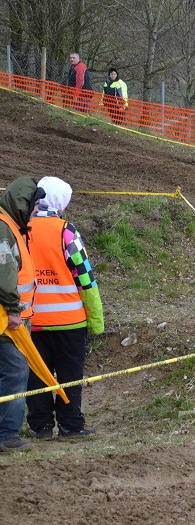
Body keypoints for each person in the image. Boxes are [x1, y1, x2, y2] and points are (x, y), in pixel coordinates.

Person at [25, 177, 104, 439]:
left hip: (31, 321)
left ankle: (41, 427)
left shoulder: (21, 228)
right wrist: (96, 319)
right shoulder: (66, 231)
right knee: (69, 375)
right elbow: (86, 278)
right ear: (60, 201)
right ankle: (70, 425)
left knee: (36, 375)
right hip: (70, 321)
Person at [0, 177, 45, 452]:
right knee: (15, 372)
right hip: (8, 319)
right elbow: (5, 274)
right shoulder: (4, 228)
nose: (37, 211)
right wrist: (15, 310)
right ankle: (7, 435)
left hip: (8, 316)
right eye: (35, 205)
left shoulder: (12, 226)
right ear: (21, 203)